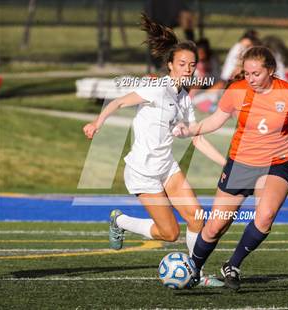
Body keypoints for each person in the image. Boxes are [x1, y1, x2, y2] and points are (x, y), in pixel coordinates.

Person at [173, 46, 288, 290]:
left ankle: (233, 264)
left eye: (256, 74)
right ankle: (193, 268)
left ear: (270, 70)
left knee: (265, 216)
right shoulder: (236, 91)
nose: (251, 79)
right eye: (247, 74)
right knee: (217, 225)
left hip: (277, 164)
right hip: (240, 163)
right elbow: (216, 120)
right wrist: (190, 129)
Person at [83, 13, 225, 287]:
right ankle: (120, 220)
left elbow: (198, 138)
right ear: (170, 64)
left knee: (198, 218)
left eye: (192, 65)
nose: (187, 69)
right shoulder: (156, 88)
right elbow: (119, 102)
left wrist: (227, 164)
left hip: (167, 168)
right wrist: (97, 122)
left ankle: (196, 273)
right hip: (143, 173)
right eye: (182, 63)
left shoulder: (184, 98)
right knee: (169, 233)